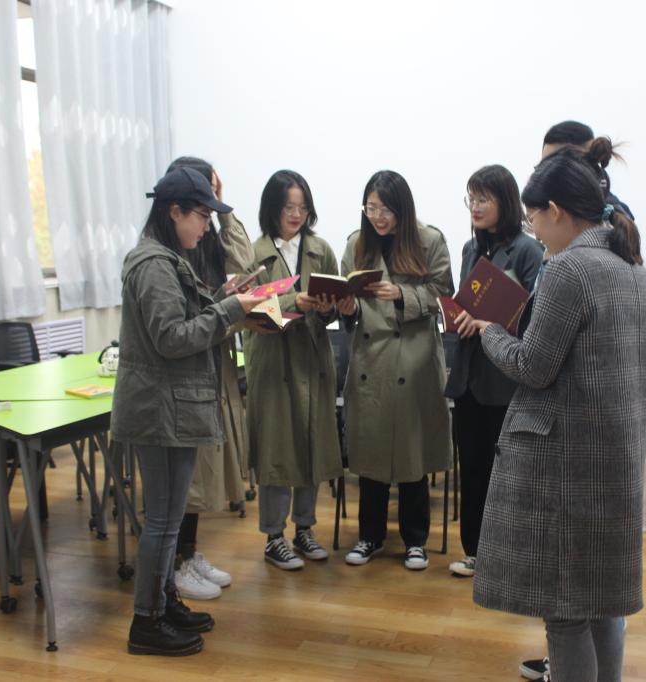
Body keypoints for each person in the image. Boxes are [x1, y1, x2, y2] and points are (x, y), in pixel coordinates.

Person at [468, 139, 646, 682]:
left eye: (534, 220)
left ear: (555, 211)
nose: (534, 232)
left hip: (565, 468)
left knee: (566, 611)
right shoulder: (635, 270)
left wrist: (491, 330)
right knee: (604, 603)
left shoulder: (570, 270)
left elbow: (532, 366)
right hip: (615, 460)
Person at [112, 166, 267, 656]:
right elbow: (172, 338)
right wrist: (229, 310)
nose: (205, 226)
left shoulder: (169, 259)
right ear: (173, 211)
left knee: (170, 518)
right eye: (201, 215)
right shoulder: (153, 264)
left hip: (170, 407)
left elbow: (184, 320)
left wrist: (223, 300)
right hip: (158, 410)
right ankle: (146, 622)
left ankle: (164, 603)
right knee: (162, 521)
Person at [338, 170, 454, 571]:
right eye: (371, 208)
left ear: (403, 209)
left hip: (414, 358)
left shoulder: (429, 240)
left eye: (386, 209)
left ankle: (415, 540)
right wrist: (346, 307)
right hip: (371, 360)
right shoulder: (356, 243)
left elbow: (443, 293)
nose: (378, 217)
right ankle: (369, 536)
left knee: (411, 453)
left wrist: (402, 293)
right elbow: (349, 297)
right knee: (371, 452)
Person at [444, 165, 543, 578]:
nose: (476, 206)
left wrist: (489, 323)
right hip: (469, 376)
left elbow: (534, 317)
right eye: (471, 198)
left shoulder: (528, 251)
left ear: (505, 201)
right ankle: (475, 551)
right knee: (472, 467)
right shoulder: (470, 250)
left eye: (484, 198)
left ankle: (508, 555)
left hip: (504, 378)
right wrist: (456, 315)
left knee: (507, 473)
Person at [243, 170, 343, 570]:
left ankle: (305, 528)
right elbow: (245, 309)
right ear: (272, 208)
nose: (296, 214)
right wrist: (292, 303)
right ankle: (273, 536)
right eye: (288, 207)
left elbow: (333, 307)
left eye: (302, 207)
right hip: (272, 362)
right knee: (276, 450)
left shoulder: (321, 249)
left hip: (312, 360)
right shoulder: (253, 253)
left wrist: (329, 307)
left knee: (310, 444)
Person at [167, 156, 254, 600]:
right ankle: (175, 565)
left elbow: (243, 261)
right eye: (202, 208)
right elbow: (178, 328)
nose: (207, 218)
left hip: (214, 366)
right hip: (188, 375)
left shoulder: (203, 241)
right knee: (188, 477)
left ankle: (188, 554)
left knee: (199, 475)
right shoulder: (165, 255)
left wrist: (224, 209)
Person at [542, 120, 634, 220]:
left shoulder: (615, 220)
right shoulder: (543, 212)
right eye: (541, 167)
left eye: (550, 168)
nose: (541, 175)